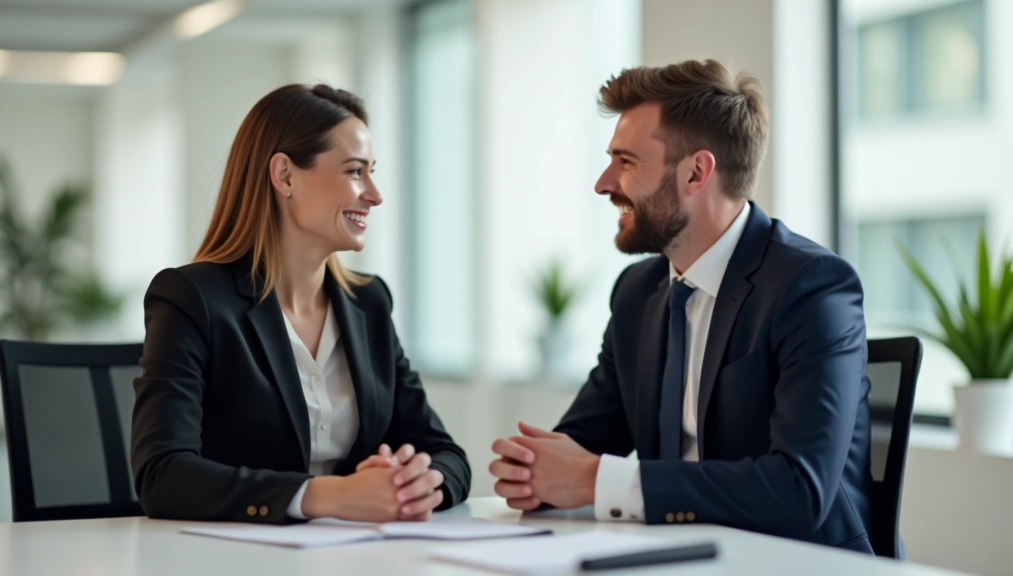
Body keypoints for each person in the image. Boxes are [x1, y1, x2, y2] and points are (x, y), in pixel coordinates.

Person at [488, 60, 875, 554]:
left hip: (799, 562)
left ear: (697, 172)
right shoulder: (637, 293)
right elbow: (582, 448)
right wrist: (534, 471)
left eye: (627, 162)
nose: (604, 183)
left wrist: (598, 481)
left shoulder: (811, 288)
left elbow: (798, 491)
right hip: (675, 556)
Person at [131, 84, 470, 524]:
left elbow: (446, 454)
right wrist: (328, 496)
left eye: (372, 171)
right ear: (285, 175)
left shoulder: (368, 304)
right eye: (354, 172)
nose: (375, 193)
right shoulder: (191, 300)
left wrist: (419, 486)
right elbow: (162, 476)